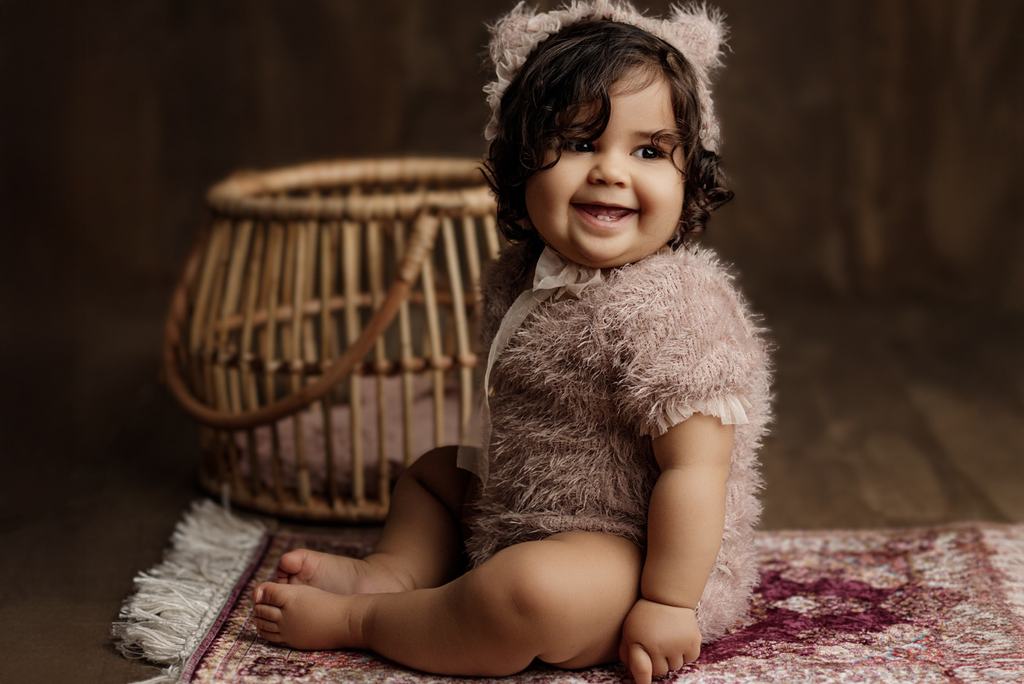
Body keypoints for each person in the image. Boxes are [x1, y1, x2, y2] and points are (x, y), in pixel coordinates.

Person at [252, 2, 771, 682]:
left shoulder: (678, 309)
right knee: (434, 474)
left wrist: (669, 602)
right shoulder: (518, 276)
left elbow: (695, 470)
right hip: (521, 504)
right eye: (580, 143)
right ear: (520, 162)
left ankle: (363, 622)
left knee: (527, 593)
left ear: (689, 176)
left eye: (648, 151)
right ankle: (392, 576)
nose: (611, 171)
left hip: (636, 550)